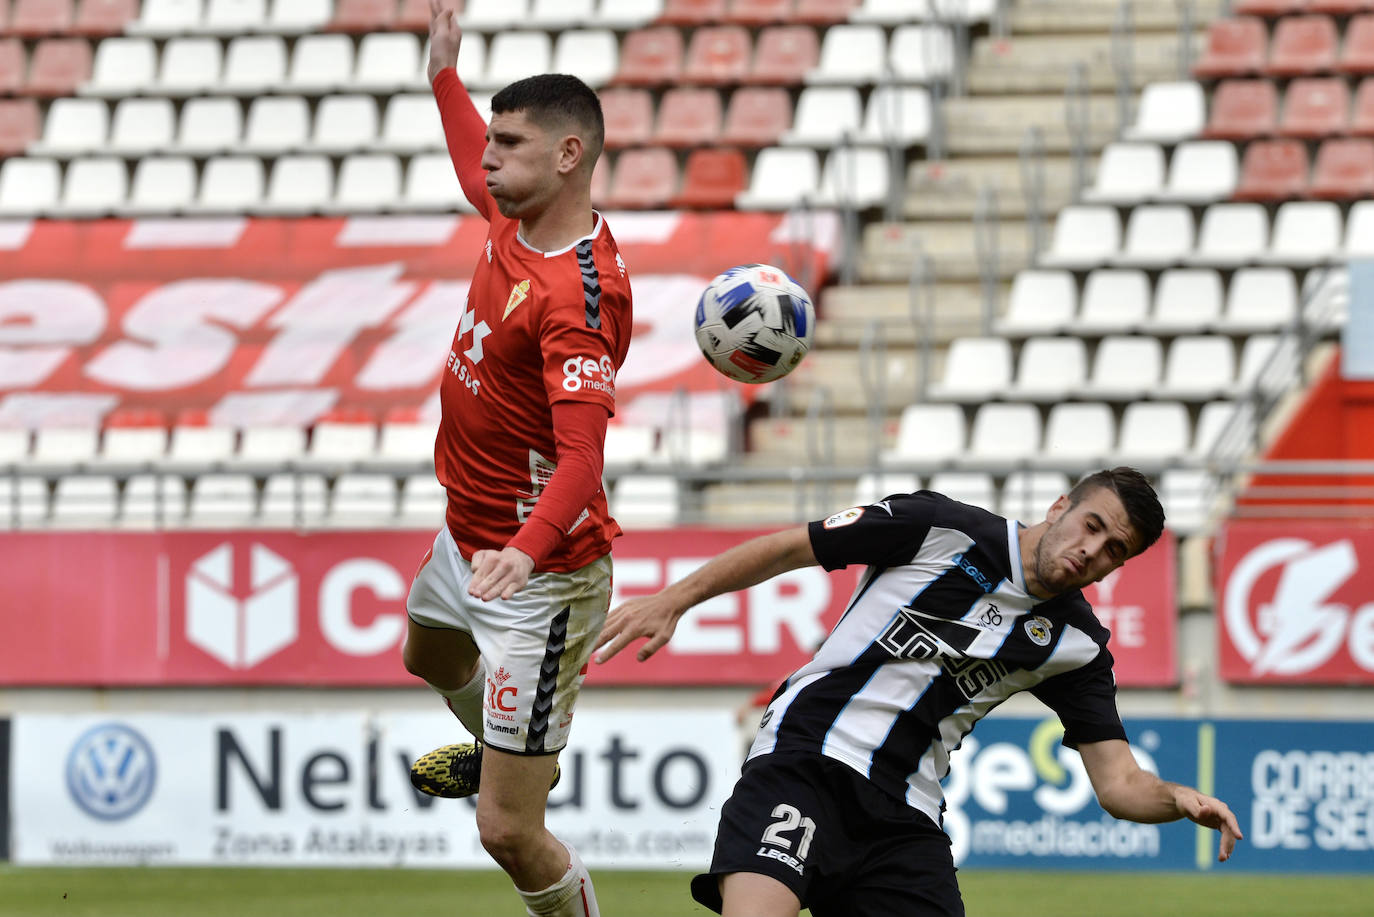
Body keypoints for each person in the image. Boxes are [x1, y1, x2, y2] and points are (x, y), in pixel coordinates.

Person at [595, 468, 1243, 917]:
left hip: (905, 817)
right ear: (1059, 507)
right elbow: (793, 547)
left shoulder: (1074, 643)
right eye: (1091, 524)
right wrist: (675, 598)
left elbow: (1118, 782)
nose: (1090, 550)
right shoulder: (938, 526)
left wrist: (1176, 798)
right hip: (806, 762)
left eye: (1112, 550)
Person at [399, 2, 632, 915]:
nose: (488, 159)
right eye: (491, 142)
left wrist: (525, 551)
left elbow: (582, 458)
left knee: (506, 830)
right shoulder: (511, 220)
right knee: (427, 651)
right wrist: (443, 75)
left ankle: (522, 775)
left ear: (568, 156)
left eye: (510, 144)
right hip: (470, 536)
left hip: (537, 573)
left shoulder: (577, 297)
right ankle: (523, 749)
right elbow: (466, 160)